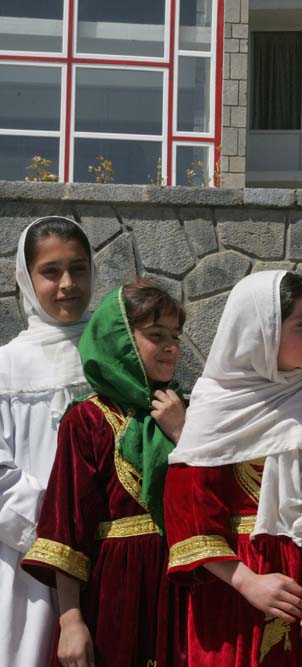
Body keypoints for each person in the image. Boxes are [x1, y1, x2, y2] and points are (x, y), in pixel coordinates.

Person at [164, 270, 302, 665]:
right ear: (263, 332)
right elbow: (190, 511)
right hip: (230, 590)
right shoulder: (215, 405)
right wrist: (248, 583)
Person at [22, 280, 187, 667]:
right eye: (156, 335)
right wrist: (70, 620)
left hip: (181, 588)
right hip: (116, 592)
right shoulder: (88, 420)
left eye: (175, 336)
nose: (171, 347)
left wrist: (183, 433)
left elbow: (209, 497)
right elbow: (68, 525)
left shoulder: (183, 411)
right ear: (121, 340)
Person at [0, 217, 93, 667]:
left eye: (78, 268)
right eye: (51, 272)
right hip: (28, 560)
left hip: (109, 549)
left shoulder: (115, 355)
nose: (67, 284)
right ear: (26, 277)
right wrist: (61, 529)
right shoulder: (6, 367)